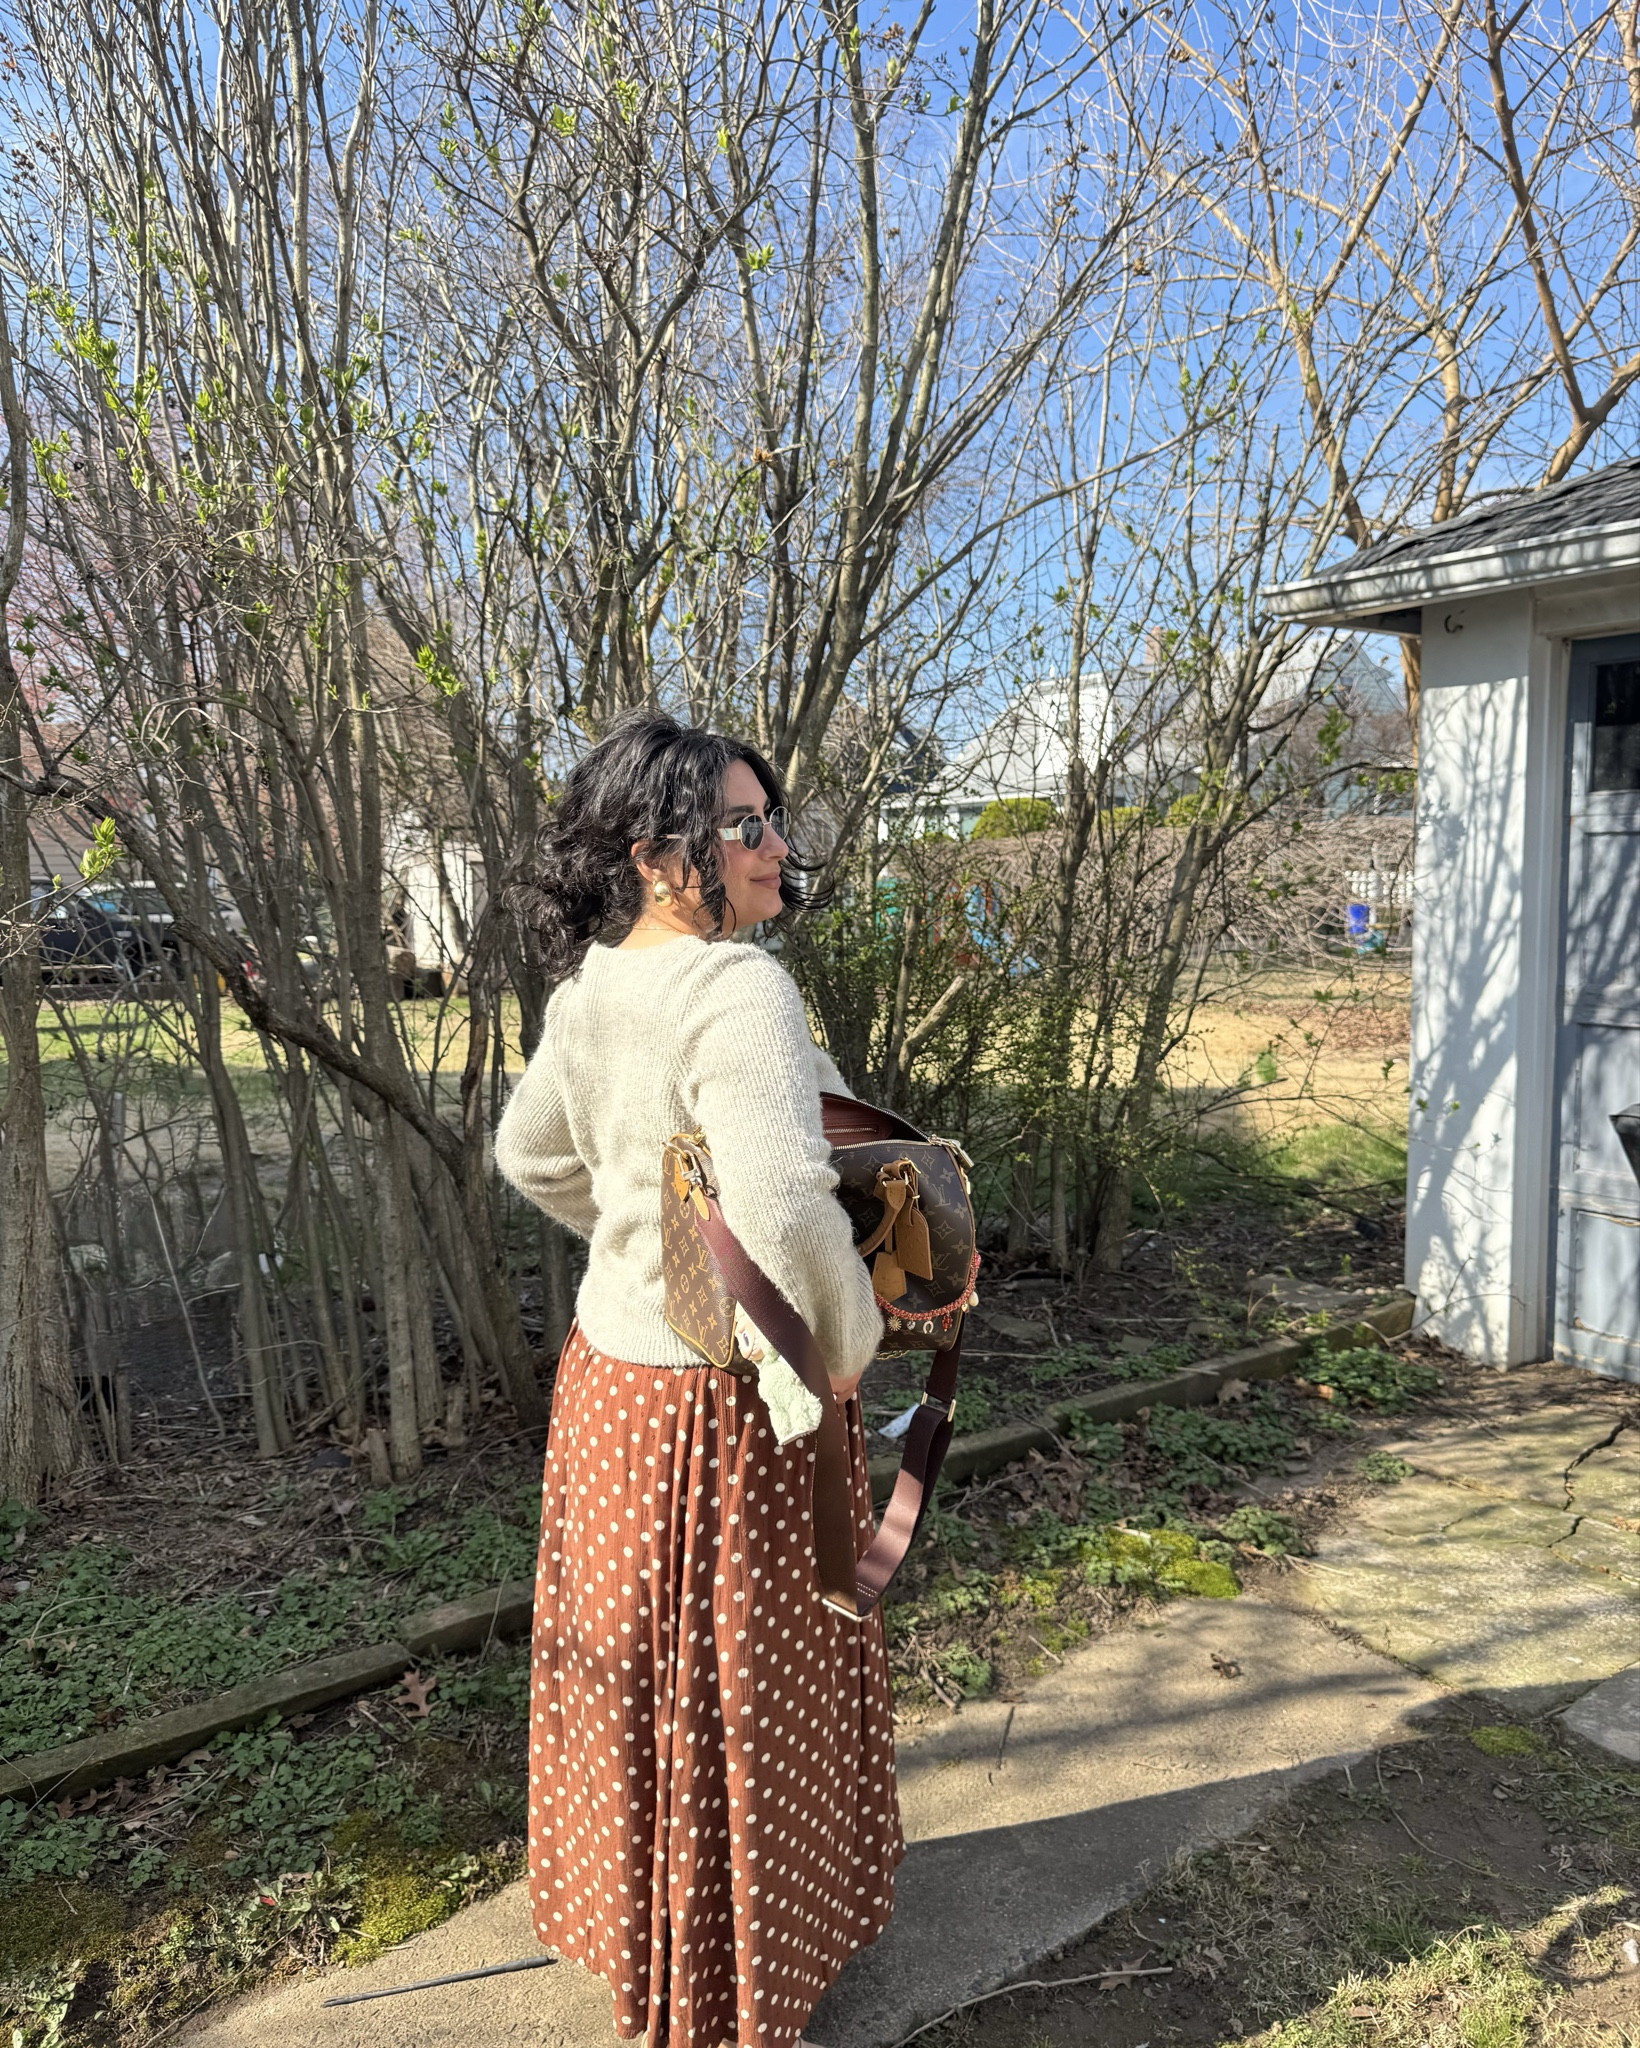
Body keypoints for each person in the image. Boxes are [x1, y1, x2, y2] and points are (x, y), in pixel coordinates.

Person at [494, 712, 900, 2048]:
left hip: (610, 1391)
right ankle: (734, 1982)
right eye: (743, 824)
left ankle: (649, 1943)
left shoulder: (593, 988)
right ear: (653, 848)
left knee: (641, 1687)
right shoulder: (736, 991)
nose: (775, 844)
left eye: (772, 818)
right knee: (736, 1686)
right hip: (726, 1408)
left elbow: (532, 1158)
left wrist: (639, 1244)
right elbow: (785, 1203)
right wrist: (844, 1350)